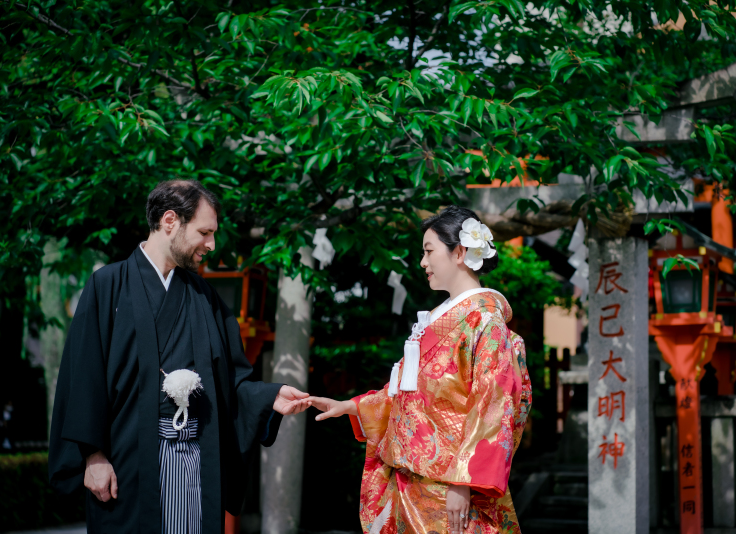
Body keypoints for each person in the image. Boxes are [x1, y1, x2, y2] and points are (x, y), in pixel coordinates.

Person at [48, 180, 311, 534]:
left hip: (196, 462)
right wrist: (93, 457)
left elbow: (231, 380)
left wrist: (269, 397)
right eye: (204, 232)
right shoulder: (108, 286)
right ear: (170, 221)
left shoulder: (205, 297)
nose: (211, 244)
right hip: (128, 462)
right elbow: (83, 379)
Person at [309, 206, 532, 534]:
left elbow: (493, 406)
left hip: (451, 486)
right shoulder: (441, 318)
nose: (423, 263)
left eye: (429, 252)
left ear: (459, 252)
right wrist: (354, 406)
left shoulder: (485, 321)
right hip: (413, 480)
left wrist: (464, 482)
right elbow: (410, 392)